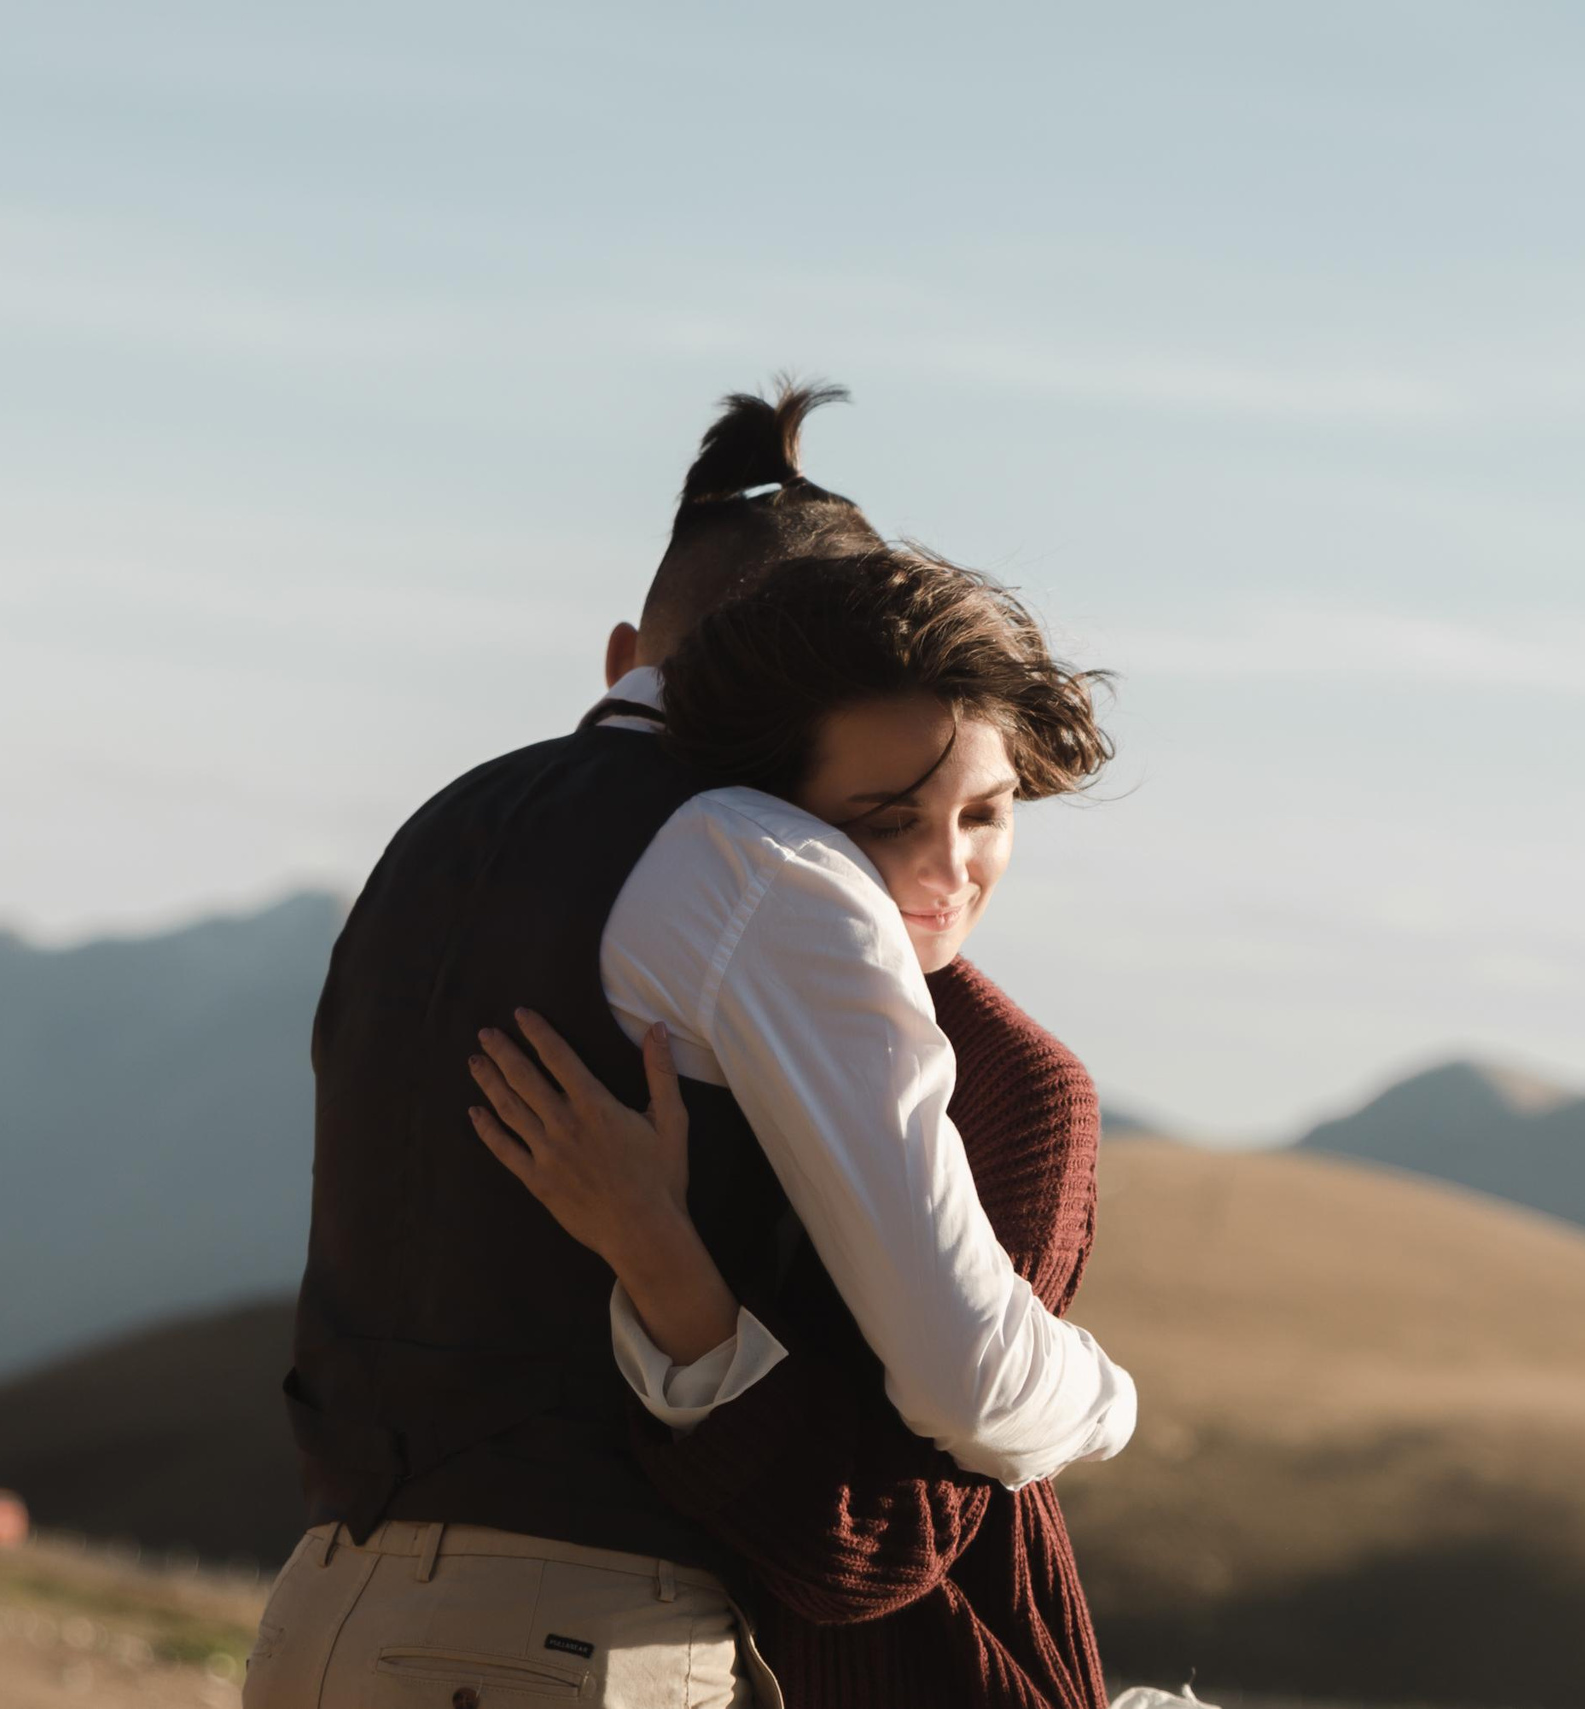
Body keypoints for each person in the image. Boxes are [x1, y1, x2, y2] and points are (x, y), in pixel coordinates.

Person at [245, 382, 1135, 1709]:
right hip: (571, 1637)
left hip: (327, 1605)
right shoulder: (762, 863)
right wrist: (1109, 1402)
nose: (934, 861)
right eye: (885, 810)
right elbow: (963, 1375)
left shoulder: (443, 830)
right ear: (809, 675)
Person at [465, 546, 1120, 1707]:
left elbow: (870, 1540)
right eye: (884, 821)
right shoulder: (686, 977)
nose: (948, 867)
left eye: (986, 812)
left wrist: (658, 1254)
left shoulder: (1018, 1087)